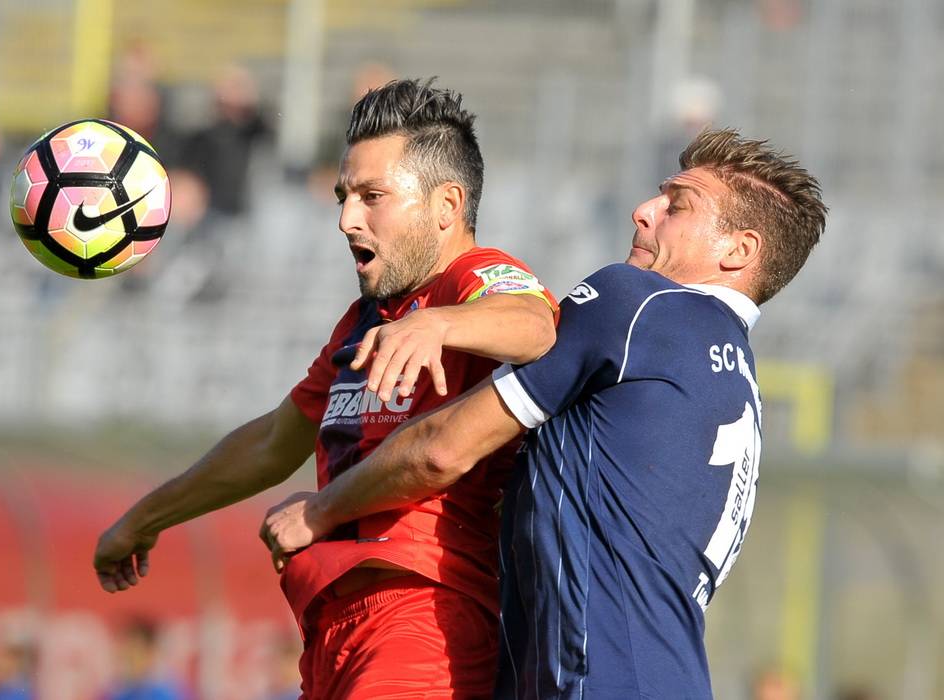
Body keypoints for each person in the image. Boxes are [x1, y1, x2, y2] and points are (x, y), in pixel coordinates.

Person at [262, 128, 828, 698]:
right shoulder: (737, 378)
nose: (643, 211)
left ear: (739, 250)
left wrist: (323, 509)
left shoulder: (639, 304)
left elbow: (444, 448)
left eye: (676, 205)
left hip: (592, 682)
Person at [94, 78, 558, 698]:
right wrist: (145, 519)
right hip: (335, 624)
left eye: (373, 196)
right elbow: (272, 442)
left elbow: (538, 326)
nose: (346, 219)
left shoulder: (470, 279)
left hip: (425, 612)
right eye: (344, 196)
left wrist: (441, 323)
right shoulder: (368, 318)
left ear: (447, 206)